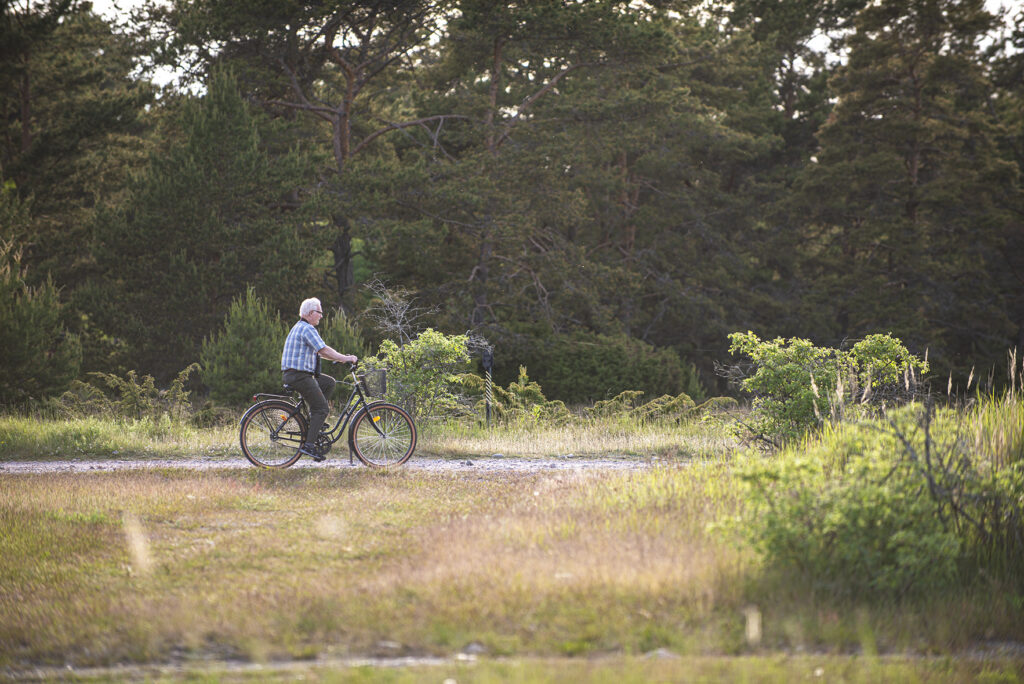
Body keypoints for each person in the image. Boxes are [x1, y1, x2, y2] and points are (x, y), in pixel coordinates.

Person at [281, 297, 358, 460]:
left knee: (329, 383)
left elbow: (322, 352)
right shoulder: (307, 328)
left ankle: (314, 423)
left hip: (296, 374)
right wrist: (346, 358)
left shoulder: (300, 327)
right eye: (319, 312)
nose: (322, 316)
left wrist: (341, 359)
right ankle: (309, 445)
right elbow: (323, 350)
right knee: (322, 408)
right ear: (310, 313)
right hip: (299, 376)